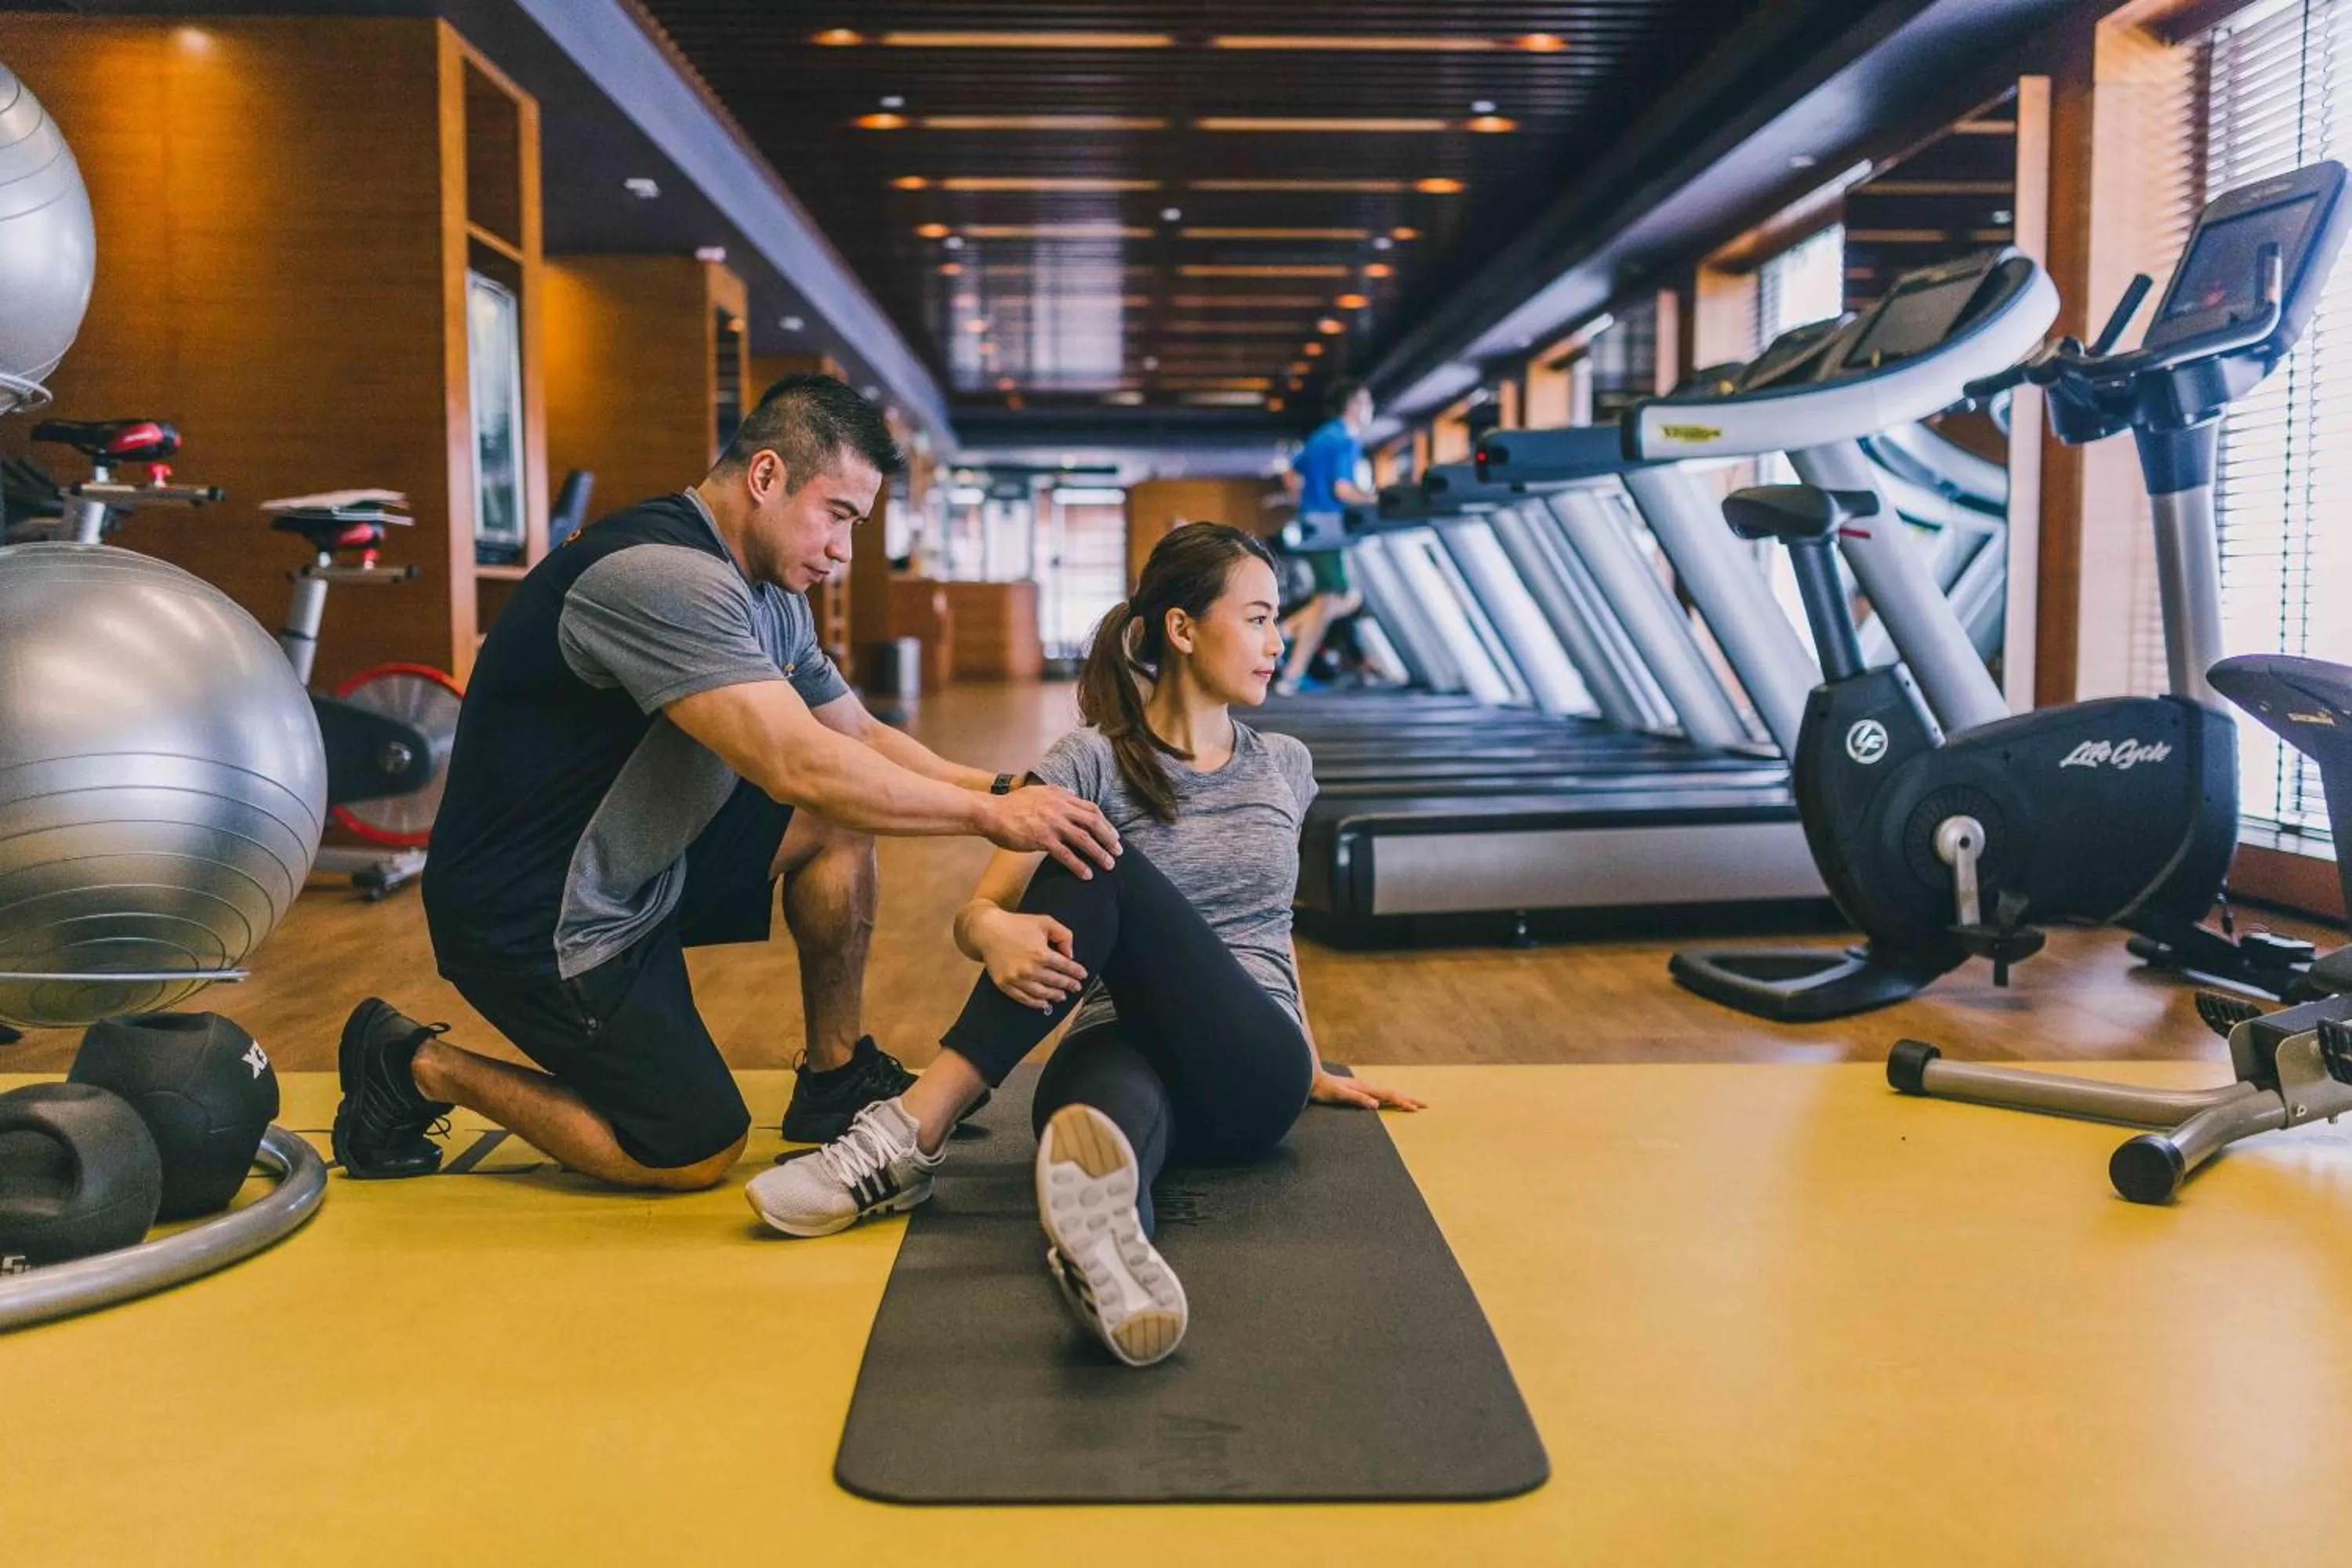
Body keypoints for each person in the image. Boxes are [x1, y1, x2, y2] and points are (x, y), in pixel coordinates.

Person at [331, 375, 1120, 1192]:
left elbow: (857, 734)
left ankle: (835, 1074)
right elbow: (799, 762)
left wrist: (1002, 787)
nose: (846, 550)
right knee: (695, 1146)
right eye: (839, 515)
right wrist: (988, 819)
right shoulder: (665, 576)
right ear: (766, 475)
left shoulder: (771, 592)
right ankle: (415, 1062)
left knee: (832, 823)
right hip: (536, 914)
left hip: (636, 862)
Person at [746, 521, 1422, 1367]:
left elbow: (1272, 926)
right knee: (1094, 1128)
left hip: (1249, 1067)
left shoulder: (1284, 763)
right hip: (1114, 1043)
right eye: (1255, 618)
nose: (1275, 641)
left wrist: (1313, 1061)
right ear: (1182, 628)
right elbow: (979, 911)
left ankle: (911, 1133)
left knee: (1101, 858)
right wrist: (994, 932)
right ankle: (1106, 1263)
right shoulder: (1089, 760)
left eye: (1274, 619)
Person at [1276, 377, 1377, 693]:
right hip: (1329, 526)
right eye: (1366, 402)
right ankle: (1278, 638)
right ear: (1355, 406)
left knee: (1328, 600)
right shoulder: (1345, 439)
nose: (1369, 409)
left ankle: (1292, 671)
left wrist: (1302, 500)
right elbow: (1343, 489)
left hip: (1312, 522)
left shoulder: (1321, 436)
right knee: (1342, 597)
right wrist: (1377, 499)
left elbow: (1292, 472)